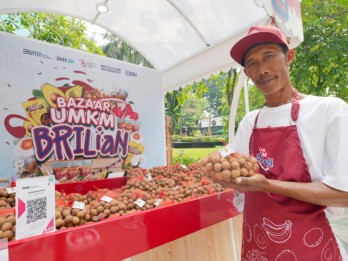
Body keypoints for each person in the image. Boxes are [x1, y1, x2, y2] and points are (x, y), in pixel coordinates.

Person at [224, 25, 348, 260]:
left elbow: (344, 194)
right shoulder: (250, 122)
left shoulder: (329, 111)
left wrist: (268, 185)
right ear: (247, 73)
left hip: (310, 246)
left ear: (289, 56)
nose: (262, 70)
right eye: (252, 63)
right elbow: (239, 181)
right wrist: (224, 179)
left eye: (268, 56)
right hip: (258, 245)